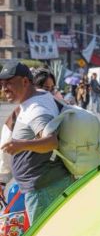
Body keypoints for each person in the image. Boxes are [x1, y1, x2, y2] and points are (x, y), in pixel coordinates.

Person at [0, 62, 74, 225]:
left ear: (26, 82)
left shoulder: (35, 109)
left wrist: (22, 145)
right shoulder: (37, 98)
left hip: (43, 189)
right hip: (46, 185)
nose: (4, 89)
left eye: (9, 83)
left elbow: (51, 141)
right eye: (2, 84)